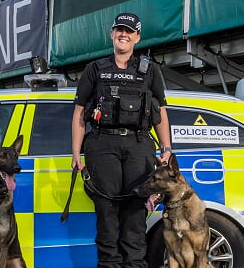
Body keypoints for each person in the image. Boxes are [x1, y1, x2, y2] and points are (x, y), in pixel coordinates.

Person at [70, 12, 172, 268]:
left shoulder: (150, 71)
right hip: (102, 144)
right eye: (119, 30)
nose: (123, 34)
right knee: (106, 213)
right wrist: (75, 153)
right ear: (112, 34)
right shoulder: (95, 69)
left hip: (139, 145)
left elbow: (161, 113)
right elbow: (80, 112)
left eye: (129, 31)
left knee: (135, 214)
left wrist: (167, 148)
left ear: (137, 36)